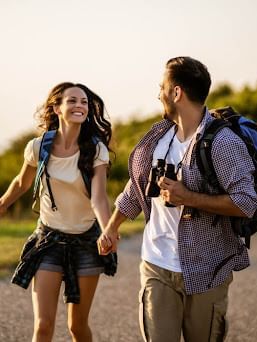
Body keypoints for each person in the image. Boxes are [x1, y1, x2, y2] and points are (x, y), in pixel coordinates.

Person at [98, 57, 257, 342]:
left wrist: (189, 197)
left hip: (208, 267)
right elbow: (136, 189)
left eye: (162, 87)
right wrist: (111, 226)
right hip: (156, 264)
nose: (158, 93)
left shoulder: (223, 143)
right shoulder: (157, 138)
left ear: (176, 92)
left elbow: (246, 202)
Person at [0, 82, 113, 342]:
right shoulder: (38, 147)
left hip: (86, 242)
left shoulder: (96, 149)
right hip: (49, 240)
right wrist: (4, 203)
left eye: (84, 102)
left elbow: (99, 197)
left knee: (77, 326)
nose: (79, 106)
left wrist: (108, 230)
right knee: (43, 325)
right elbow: (22, 183)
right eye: (72, 101)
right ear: (57, 108)